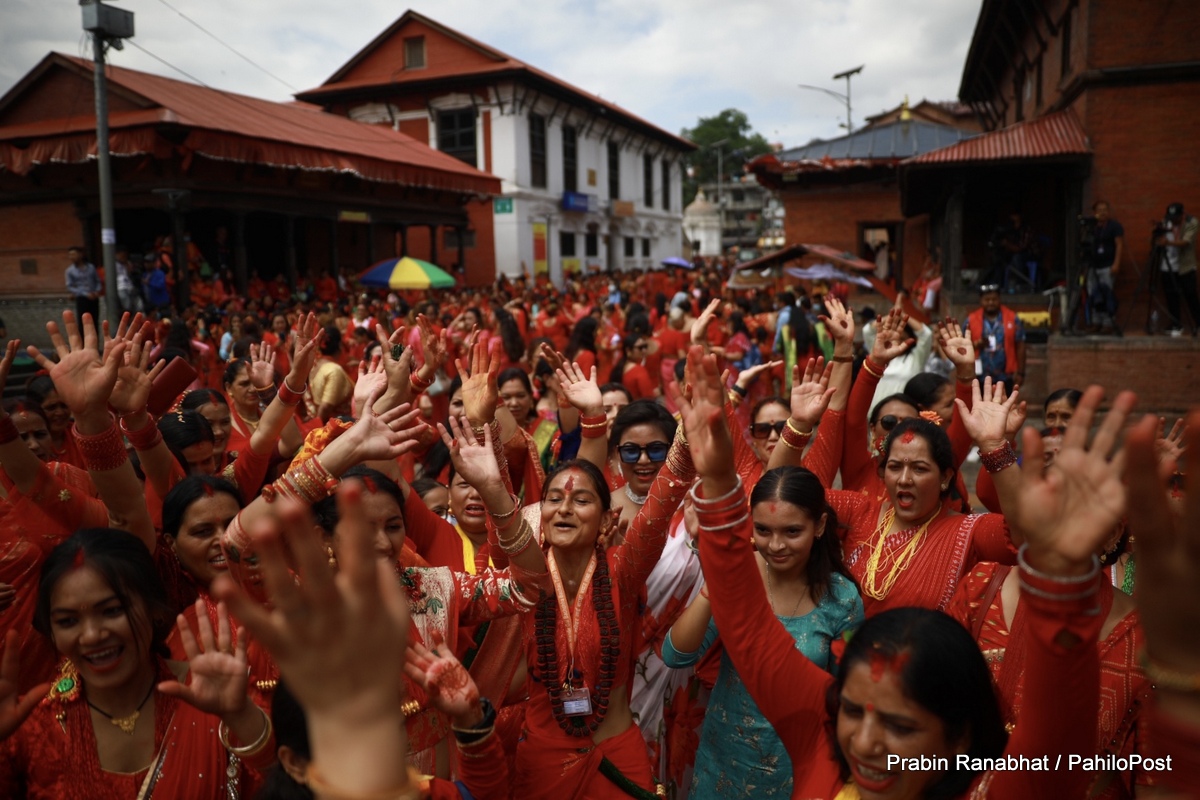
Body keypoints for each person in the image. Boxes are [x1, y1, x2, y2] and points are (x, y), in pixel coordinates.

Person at [684, 343, 1133, 799]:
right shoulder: (824, 738)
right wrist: (731, 476)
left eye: (901, 727)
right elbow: (784, 508)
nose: (867, 743)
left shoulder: (967, 531)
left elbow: (1028, 546)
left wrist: (997, 451)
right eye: (894, 467)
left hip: (927, 677)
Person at [0, 529, 274, 797]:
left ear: (154, 608)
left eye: (112, 611)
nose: (92, 635)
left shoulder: (214, 696)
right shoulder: (32, 726)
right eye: (67, 621)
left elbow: (290, 783)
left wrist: (240, 716)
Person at [663, 466, 863, 799]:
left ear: (820, 526)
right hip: (722, 762)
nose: (776, 545)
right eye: (763, 531)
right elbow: (676, 655)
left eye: (792, 531)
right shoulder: (741, 576)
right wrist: (717, 584)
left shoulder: (842, 599)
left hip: (797, 768)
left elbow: (849, 693)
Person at [966, 284, 1025, 389]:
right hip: (979, 376)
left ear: (999, 299)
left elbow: (1020, 345)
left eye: (994, 299)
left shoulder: (1012, 318)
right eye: (987, 299)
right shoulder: (971, 320)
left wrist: (1021, 372)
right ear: (981, 300)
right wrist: (976, 344)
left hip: (1006, 376)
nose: (991, 302)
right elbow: (963, 346)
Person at [1157, 202, 1199, 336]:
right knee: (1171, 296)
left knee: (1190, 295)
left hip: (1185, 266)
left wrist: (1168, 242)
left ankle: (1199, 324)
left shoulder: (1191, 222)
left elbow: (1186, 242)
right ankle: (1176, 325)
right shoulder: (1166, 222)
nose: (1172, 220)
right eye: (1170, 217)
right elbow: (1159, 239)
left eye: (1175, 217)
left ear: (1182, 214)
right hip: (1167, 265)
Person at [1087, 201, 1124, 333]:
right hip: (1093, 266)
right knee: (1094, 294)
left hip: (1107, 266)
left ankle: (1108, 323)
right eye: (1099, 210)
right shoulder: (1092, 227)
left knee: (1107, 294)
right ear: (1095, 212)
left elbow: (1119, 244)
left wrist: (1116, 263)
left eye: (1105, 209)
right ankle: (1096, 322)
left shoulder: (1115, 226)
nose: (1103, 212)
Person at [65, 246, 101, 329]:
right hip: (82, 298)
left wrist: (96, 291)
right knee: (83, 322)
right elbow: (69, 286)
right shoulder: (70, 271)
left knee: (94, 321)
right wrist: (85, 294)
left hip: (93, 297)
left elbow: (97, 281)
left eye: (73, 254)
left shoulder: (91, 267)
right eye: (70, 255)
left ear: (81, 255)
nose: (71, 257)